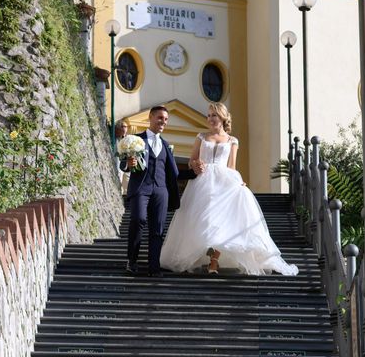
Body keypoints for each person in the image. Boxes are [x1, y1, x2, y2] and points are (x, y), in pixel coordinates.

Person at [160, 103, 298, 276]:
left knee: (221, 221)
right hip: (202, 182)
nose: (210, 119)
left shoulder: (233, 141)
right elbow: (191, 160)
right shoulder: (201, 137)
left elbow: (231, 166)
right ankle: (201, 255)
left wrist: (238, 182)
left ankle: (214, 261)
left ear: (222, 118)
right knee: (205, 220)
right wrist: (196, 165)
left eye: (214, 115)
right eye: (209, 115)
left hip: (224, 182)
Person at [121, 106, 179, 277]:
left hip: (161, 190)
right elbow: (123, 163)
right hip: (141, 187)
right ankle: (132, 260)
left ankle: (154, 267)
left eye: (166, 119)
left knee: (158, 229)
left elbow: (174, 172)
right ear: (151, 117)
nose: (163, 122)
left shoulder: (166, 145)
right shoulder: (136, 139)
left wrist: (195, 172)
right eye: (160, 118)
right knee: (138, 219)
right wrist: (127, 165)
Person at [115, 120, 130, 197]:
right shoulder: (115, 139)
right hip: (118, 164)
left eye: (126, 127)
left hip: (126, 165)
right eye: (123, 127)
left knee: (127, 183)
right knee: (119, 180)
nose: (125, 129)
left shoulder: (127, 139)